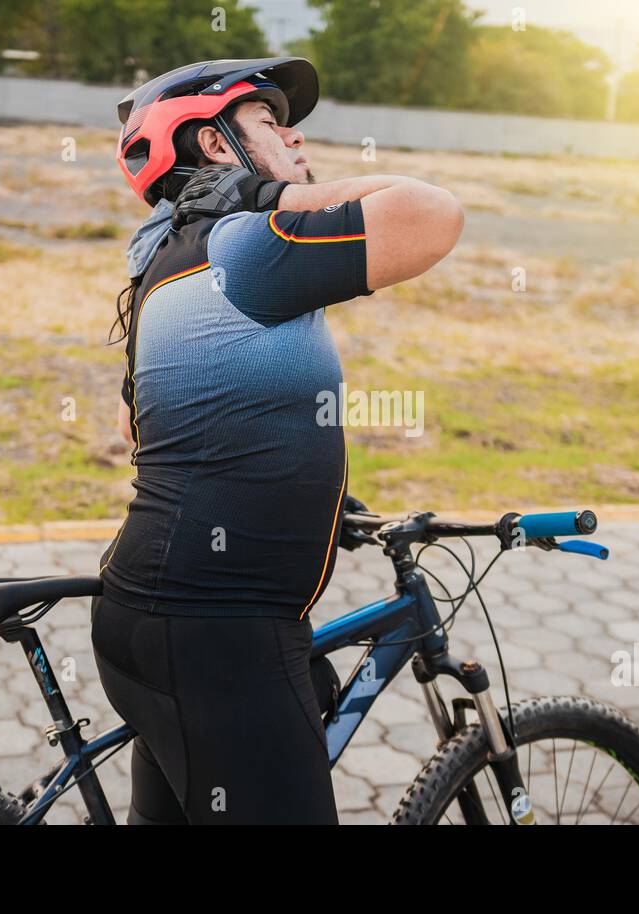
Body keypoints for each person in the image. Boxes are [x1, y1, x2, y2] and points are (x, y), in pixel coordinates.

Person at [91, 57, 463, 824]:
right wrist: (272, 196)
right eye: (268, 122)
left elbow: (163, 432)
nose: (294, 135)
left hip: (162, 618)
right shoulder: (245, 246)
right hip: (216, 631)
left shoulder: (168, 262)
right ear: (218, 147)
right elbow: (431, 213)